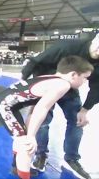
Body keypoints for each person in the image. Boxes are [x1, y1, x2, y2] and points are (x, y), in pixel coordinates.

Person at [0, 56, 93, 179]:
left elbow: (34, 108)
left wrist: (29, 132)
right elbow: (42, 109)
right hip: (5, 107)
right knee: (27, 146)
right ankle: (23, 174)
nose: (85, 82)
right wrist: (30, 137)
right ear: (73, 74)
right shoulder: (62, 85)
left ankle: (16, 167)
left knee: (22, 138)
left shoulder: (50, 78)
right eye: (85, 78)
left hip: (7, 105)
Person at [21, 34, 99, 179]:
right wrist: (22, 83)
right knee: (42, 122)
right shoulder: (67, 46)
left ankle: (72, 158)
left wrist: (84, 110)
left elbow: (97, 87)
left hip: (70, 88)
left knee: (77, 122)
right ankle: (41, 155)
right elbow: (35, 61)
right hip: (45, 86)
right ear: (95, 38)